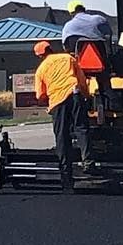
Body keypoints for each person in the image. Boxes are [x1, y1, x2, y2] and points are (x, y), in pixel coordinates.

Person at [33, 40, 91, 189]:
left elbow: (40, 96)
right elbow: (82, 80)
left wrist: (47, 101)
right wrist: (87, 97)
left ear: (40, 56)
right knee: (81, 128)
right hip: (75, 94)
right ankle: (87, 161)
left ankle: (65, 169)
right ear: (51, 49)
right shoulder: (68, 58)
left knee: (61, 135)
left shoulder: (41, 69)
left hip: (58, 102)